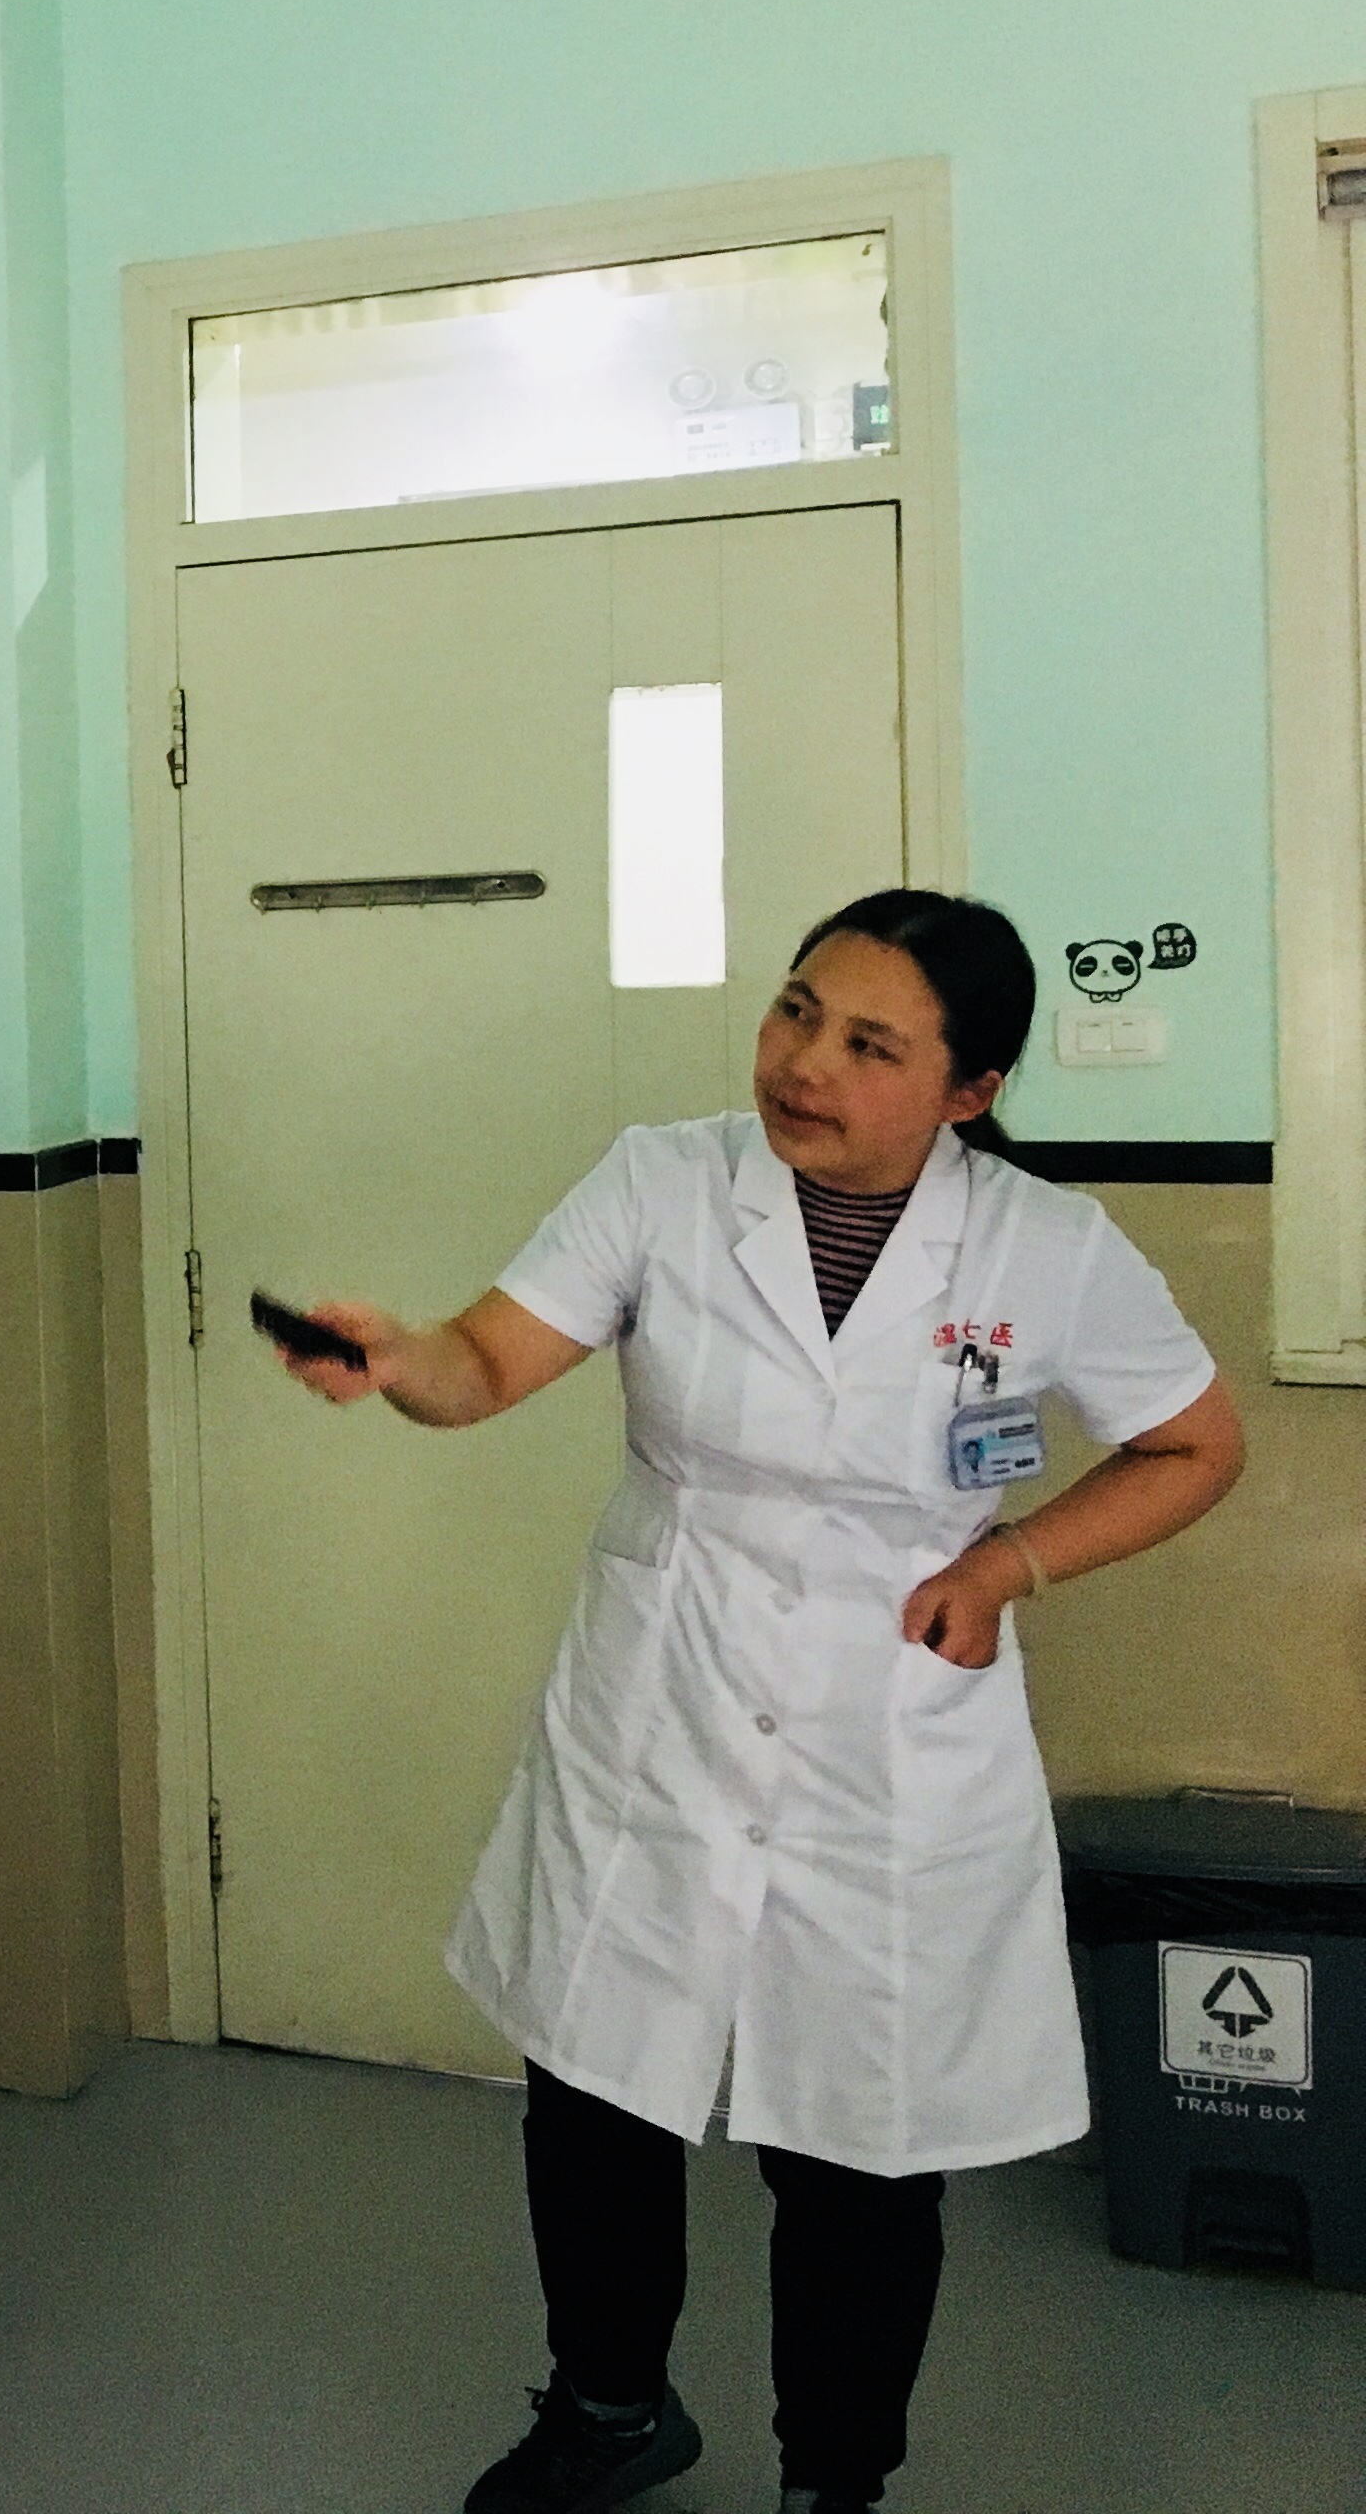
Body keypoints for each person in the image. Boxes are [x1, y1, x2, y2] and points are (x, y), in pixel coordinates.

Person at [273, 890, 1243, 2514]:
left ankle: (834, 2480)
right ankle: (609, 2408)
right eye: (797, 1011)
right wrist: (398, 1360)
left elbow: (1197, 1444)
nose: (805, 1064)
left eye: (870, 1044)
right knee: (596, 2082)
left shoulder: (1049, 1246)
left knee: (863, 2133)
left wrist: (1010, 1567)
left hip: (893, 1722)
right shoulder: (663, 1181)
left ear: (970, 1090)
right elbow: (487, 1363)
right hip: (666, 1689)